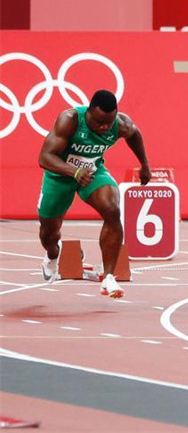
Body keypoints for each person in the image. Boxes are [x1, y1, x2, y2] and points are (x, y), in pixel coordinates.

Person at [38, 90, 151, 299]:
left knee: (112, 210)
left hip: (92, 171)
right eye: (99, 122)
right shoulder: (70, 120)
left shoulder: (121, 124)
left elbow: (134, 134)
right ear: (89, 112)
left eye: (108, 123)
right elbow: (45, 157)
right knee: (48, 233)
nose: (104, 127)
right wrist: (74, 172)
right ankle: (53, 253)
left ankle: (109, 277)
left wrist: (144, 164)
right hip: (59, 175)